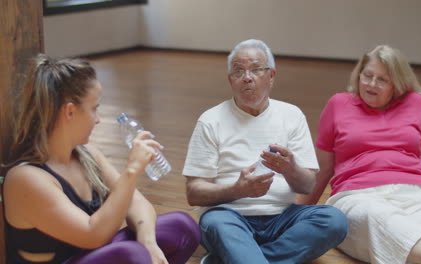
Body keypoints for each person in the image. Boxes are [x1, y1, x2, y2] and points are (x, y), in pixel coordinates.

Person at [3, 54, 201, 264]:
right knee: (132, 255)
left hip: (92, 255)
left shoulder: (86, 153)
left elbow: (137, 203)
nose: (98, 119)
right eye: (94, 108)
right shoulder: (26, 178)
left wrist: (148, 243)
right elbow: (94, 236)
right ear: (69, 111)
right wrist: (132, 171)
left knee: (181, 226)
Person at [297, 45, 421, 264]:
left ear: (397, 84)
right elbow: (324, 167)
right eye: (367, 76)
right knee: (381, 219)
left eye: (382, 79)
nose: (371, 84)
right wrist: (298, 212)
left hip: (417, 193)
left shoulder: (415, 102)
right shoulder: (338, 104)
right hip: (357, 196)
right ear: (359, 74)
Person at [182, 39, 348, 264]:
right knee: (217, 225)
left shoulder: (292, 115)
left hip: (282, 218)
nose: (247, 77)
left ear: (271, 76)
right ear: (230, 80)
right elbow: (194, 193)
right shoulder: (210, 121)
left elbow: (307, 185)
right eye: (238, 71)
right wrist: (237, 189)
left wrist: (291, 169)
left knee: (334, 220)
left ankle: (236, 258)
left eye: (256, 69)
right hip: (228, 217)